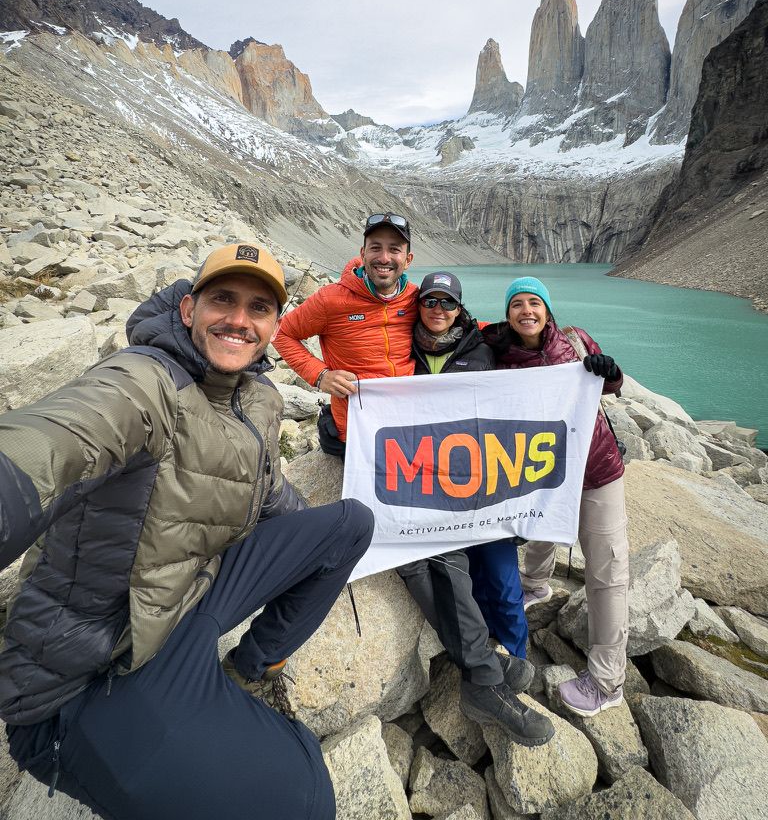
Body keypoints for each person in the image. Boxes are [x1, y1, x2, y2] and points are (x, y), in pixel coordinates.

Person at [0, 242, 374, 820]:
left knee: (351, 524)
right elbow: (57, 437)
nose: (238, 320)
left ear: (275, 324)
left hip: (191, 597)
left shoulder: (258, 397)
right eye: (222, 299)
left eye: (258, 308)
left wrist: (319, 558)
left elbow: (271, 495)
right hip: (101, 669)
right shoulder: (145, 380)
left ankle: (253, 666)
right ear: (188, 310)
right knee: (303, 801)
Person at [398, 272, 554, 746]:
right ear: (419, 303)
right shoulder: (400, 346)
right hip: (422, 484)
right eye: (430, 300)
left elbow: (535, 366)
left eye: (448, 301)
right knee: (446, 570)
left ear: (461, 308)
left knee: (505, 583)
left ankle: (513, 661)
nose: (439, 308)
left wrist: (593, 377)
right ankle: (490, 675)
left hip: (482, 489)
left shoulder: (483, 346)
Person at [483, 276, 628, 718]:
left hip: (595, 468)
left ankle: (607, 681)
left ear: (547, 309)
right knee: (541, 525)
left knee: (607, 568)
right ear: (507, 313)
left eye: (535, 303)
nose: (526, 311)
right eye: (517, 305)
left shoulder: (575, 341)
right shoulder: (496, 353)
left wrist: (609, 370)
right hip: (540, 469)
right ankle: (535, 584)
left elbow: (610, 386)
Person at [273, 212, 419, 456]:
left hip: (406, 424)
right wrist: (320, 376)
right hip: (355, 431)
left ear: (408, 259)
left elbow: (454, 322)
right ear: (363, 254)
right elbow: (281, 333)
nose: (384, 258)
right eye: (375, 248)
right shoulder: (331, 299)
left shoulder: (415, 297)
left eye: (394, 249)